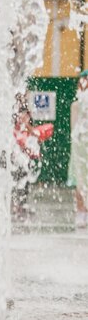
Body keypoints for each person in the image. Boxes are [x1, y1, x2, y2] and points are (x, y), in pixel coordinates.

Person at [67, 69, 88, 228]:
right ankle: (81, 212)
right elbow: (74, 128)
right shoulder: (76, 104)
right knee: (79, 178)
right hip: (80, 146)